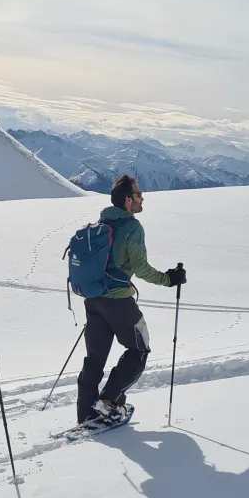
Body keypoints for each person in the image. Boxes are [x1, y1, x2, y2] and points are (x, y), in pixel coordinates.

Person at [77, 175, 185, 426]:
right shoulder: (132, 227)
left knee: (94, 359)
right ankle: (108, 403)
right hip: (117, 301)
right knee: (139, 349)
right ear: (127, 200)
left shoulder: (101, 223)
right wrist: (169, 279)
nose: (142, 198)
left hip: (93, 300)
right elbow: (141, 268)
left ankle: (86, 415)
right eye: (138, 194)